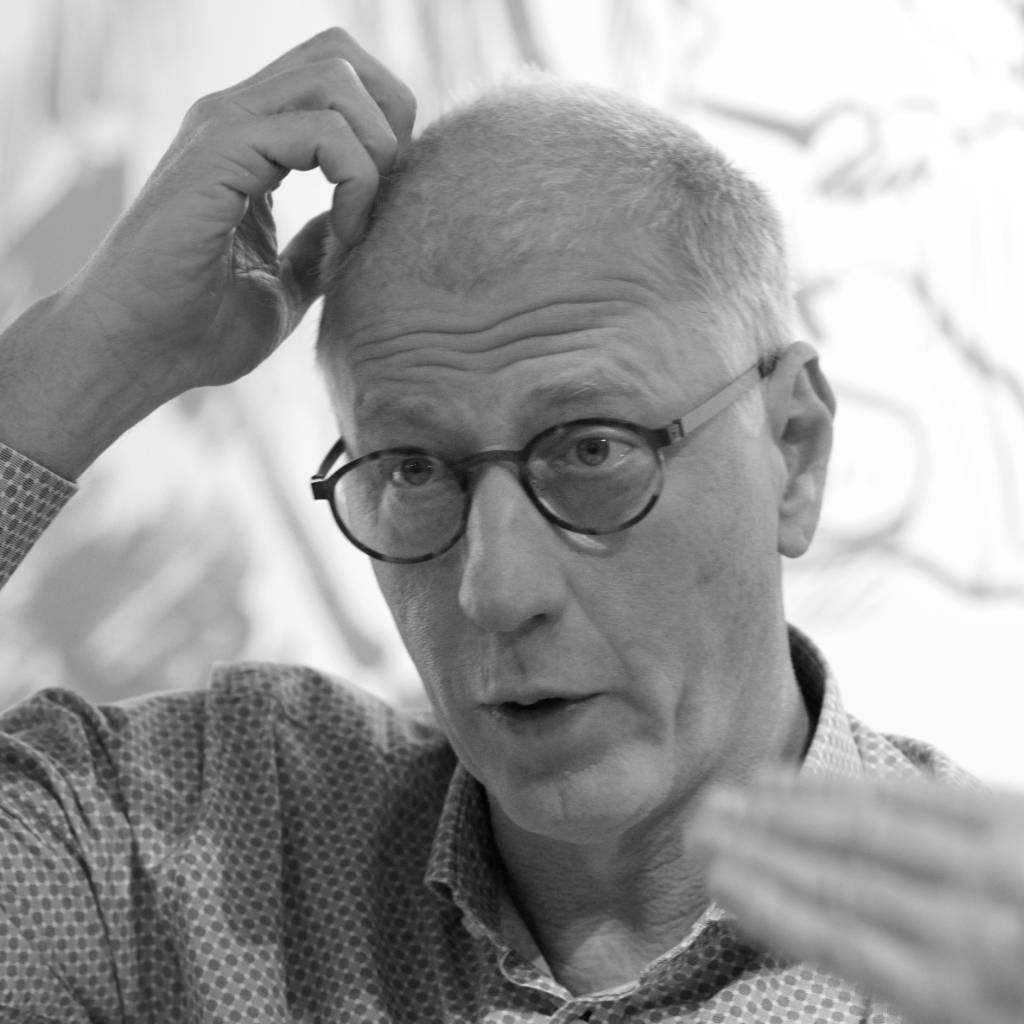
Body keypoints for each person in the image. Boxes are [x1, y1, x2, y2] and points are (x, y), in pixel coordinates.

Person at [0, 28, 1021, 1024]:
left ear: (791, 448)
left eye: (592, 451)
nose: (496, 589)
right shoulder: (201, 853)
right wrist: (92, 349)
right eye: (412, 469)